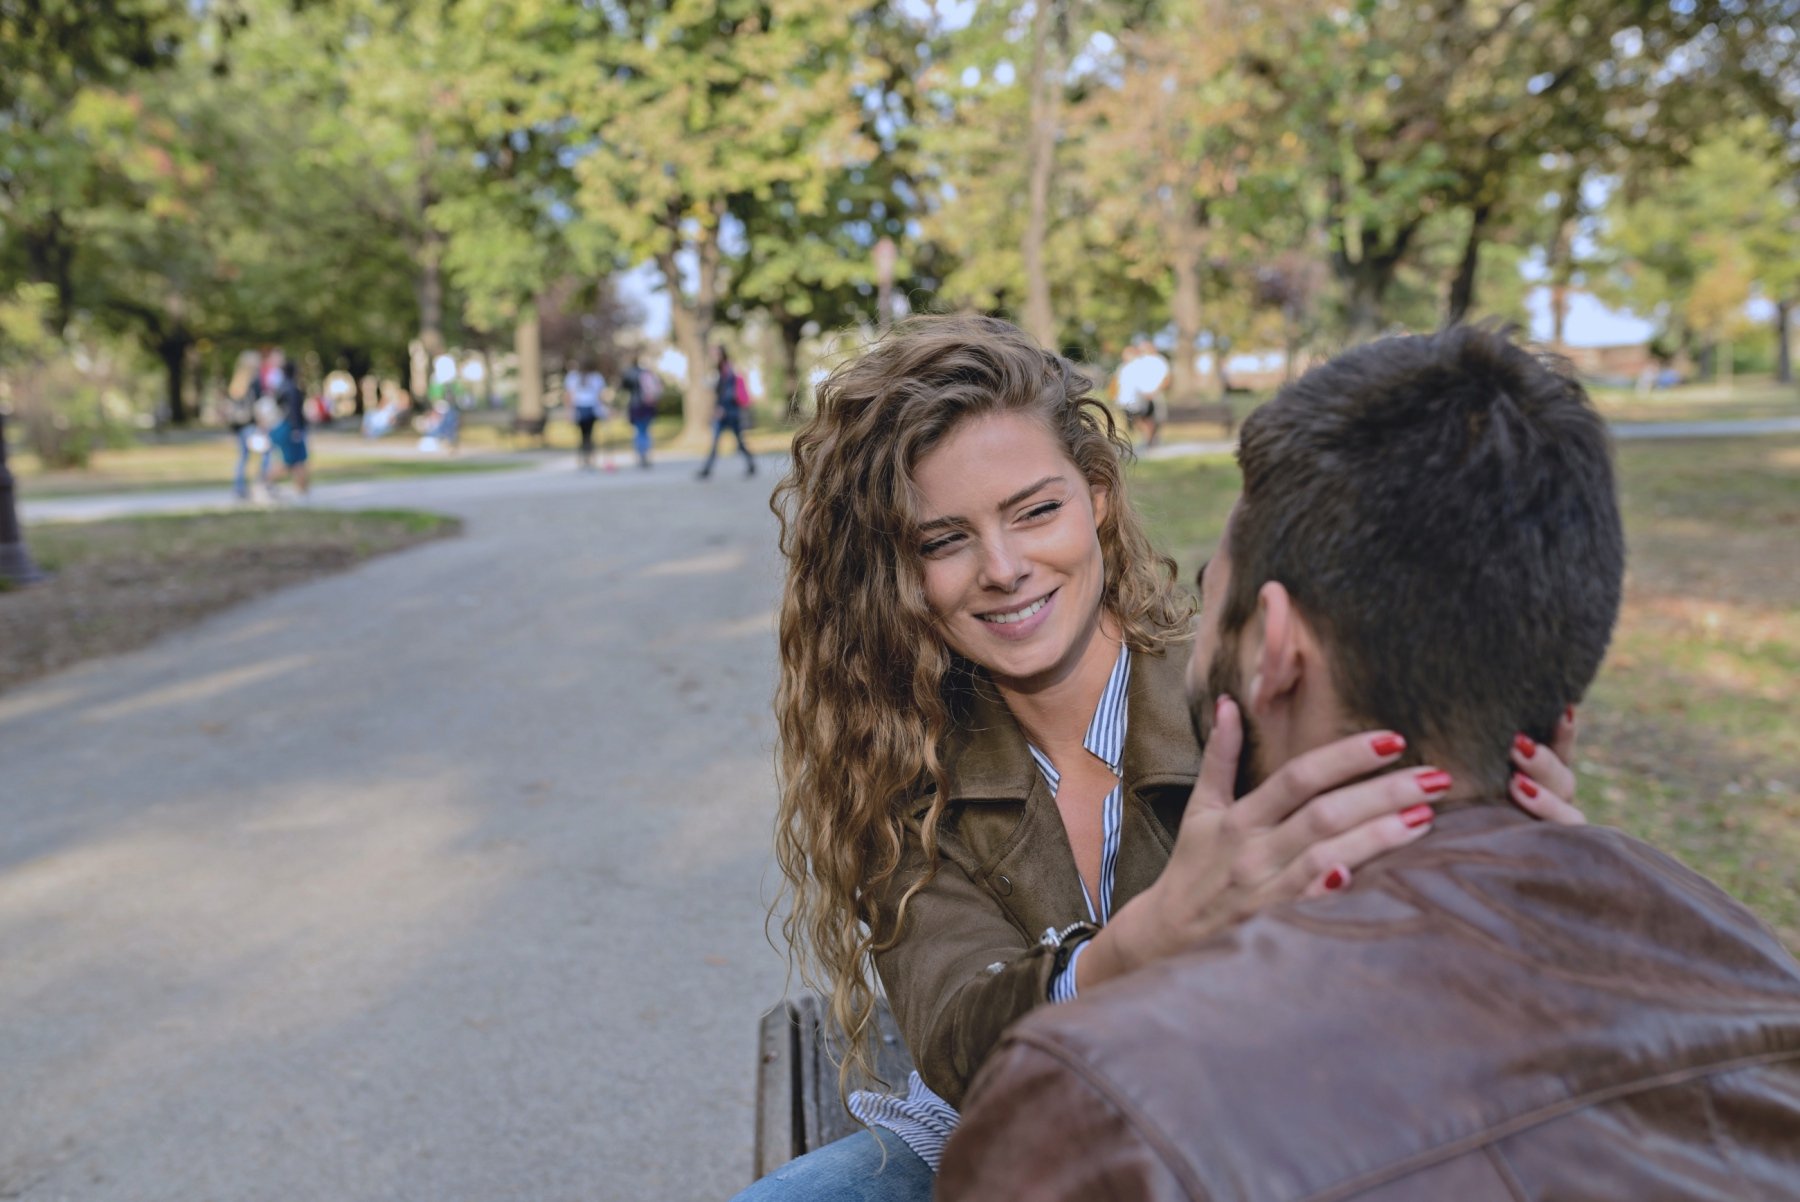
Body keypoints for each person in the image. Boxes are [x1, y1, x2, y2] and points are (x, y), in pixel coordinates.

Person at [937, 325, 1800, 1200]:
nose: (1003, 569)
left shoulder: (1098, 1109)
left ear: (1276, 649)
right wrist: (1528, 878)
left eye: (1212, 591)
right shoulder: (1762, 980)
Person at [735, 315, 1581, 1200]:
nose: (1004, 566)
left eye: (1037, 511)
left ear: (1096, 495)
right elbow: (955, 1037)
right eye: (943, 540)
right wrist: (1143, 943)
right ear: (897, 570)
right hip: (1025, 1144)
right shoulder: (900, 757)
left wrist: (1513, 851)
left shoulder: (1248, 690)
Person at [697, 347, 755, 479]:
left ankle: (707, 469)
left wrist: (721, 408)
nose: (713, 357)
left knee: (731, 441)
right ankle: (707, 468)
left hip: (728, 412)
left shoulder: (727, 370)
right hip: (727, 411)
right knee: (724, 441)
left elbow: (729, 393)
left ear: (721, 355)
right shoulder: (720, 370)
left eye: (715, 354)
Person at [265, 359, 310, 498]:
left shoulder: (281, 388)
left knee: (295, 461)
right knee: (293, 461)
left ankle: (302, 489)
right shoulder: (291, 389)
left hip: (284, 428)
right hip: (291, 429)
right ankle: (267, 482)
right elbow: (293, 412)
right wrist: (296, 429)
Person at [1115, 338, 1169, 449]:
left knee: (1154, 418)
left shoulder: (1159, 361)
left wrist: (1155, 391)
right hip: (1141, 396)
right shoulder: (1139, 362)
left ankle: (1152, 439)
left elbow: (1166, 379)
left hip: (1154, 395)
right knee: (1142, 418)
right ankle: (1149, 439)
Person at [564, 361, 610, 471]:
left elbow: (569, 395)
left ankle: (586, 458)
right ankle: (586, 458)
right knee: (587, 435)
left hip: (586, 408)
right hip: (585, 408)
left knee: (585, 435)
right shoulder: (576, 377)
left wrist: (569, 411)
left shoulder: (592, 377)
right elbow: (570, 395)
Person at [621, 354, 659, 469]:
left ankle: (641, 454)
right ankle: (646, 453)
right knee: (646, 430)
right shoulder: (646, 373)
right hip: (648, 404)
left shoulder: (629, 373)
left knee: (639, 430)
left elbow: (624, 387)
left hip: (636, 404)